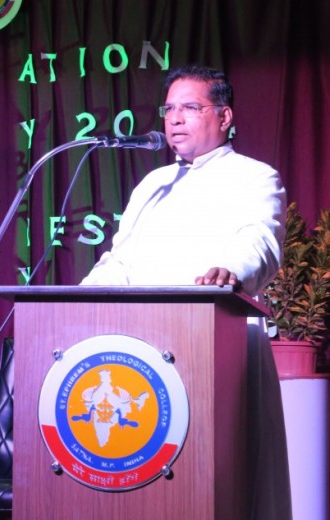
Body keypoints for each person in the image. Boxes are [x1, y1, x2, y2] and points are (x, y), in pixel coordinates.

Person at [81, 65, 291, 519]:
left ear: (225, 116)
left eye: (190, 107)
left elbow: (260, 239)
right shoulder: (152, 185)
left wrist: (231, 270)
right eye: (169, 108)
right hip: (140, 355)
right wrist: (77, 298)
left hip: (217, 342)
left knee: (219, 487)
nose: (174, 118)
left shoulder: (254, 177)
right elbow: (121, 260)